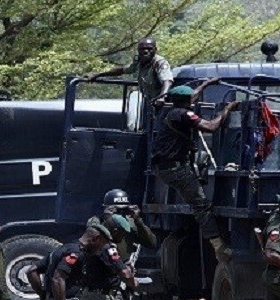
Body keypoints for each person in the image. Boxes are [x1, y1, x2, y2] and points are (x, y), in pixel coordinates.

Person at [151, 84, 240, 261]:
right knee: (201, 205)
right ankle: (219, 247)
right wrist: (227, 110)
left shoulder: (169, 111)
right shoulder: (183, 115)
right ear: (186, 102)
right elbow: (211, 127)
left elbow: (192, 96)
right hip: (176, 168)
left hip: (166, 167)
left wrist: (207, 83)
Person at [87, 38, 174, 107]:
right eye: (142, 49)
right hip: (149, 102)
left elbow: (167, 80)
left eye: (149, 49)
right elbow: (122, 70)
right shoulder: (139, 62)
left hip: (162, 104)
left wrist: (162, 97)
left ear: (155, 49)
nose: (145, 51)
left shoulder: (160, 62)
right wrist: (98, 75)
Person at [98, 189, 157, 262]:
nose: (119, 214)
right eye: (117, 210)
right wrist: (109, 221)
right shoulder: (99, 224)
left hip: (124, 265)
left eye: (123, 210)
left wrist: (138, 221)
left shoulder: (129, 224)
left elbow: (151, 244)